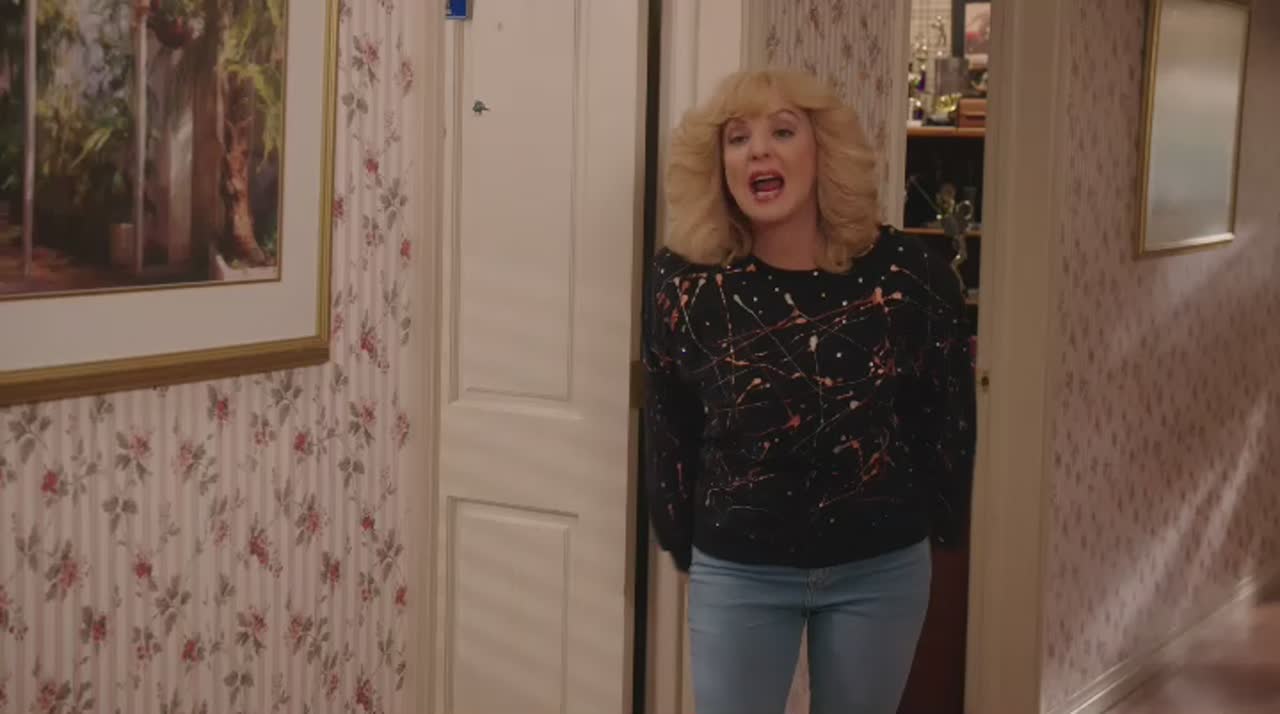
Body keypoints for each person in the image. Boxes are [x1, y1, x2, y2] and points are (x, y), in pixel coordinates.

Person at [642, 68, 976, 714]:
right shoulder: (684, 283)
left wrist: (941, 523)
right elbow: (668, 419)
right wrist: (681, 535)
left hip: (879, 567)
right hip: (738, 568)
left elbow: (945, 415)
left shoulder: (910, 276)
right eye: (737, 138)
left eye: (782, 131)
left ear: (825, 150)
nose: (758, 151)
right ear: (719, 165)